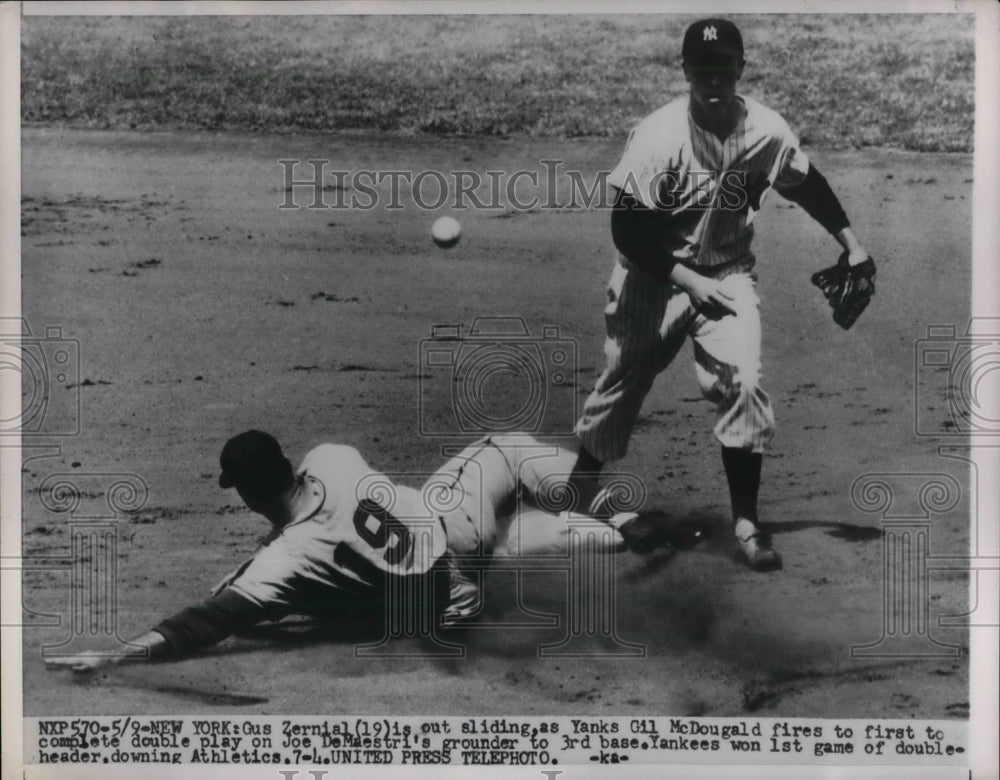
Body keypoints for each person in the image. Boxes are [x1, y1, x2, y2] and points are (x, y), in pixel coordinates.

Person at [570, 18, 873, 571]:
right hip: (651, 275)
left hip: (730, 272)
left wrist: (852, 245)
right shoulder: (658, 136)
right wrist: (686, 280)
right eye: (703, 68)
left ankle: (747, 524)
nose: (715, 78)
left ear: (741, 69)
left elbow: (803, 181)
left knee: (745, 380)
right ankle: (577, 493)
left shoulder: (767, 131)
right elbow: (627, 231)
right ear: (686, 71)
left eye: (724, 68)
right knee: (623, 382)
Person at [45, 430, 689, 672]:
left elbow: (212, 621)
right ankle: (618, 520)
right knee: (503, 455)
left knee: (294, 607)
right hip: (452, 532)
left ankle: (615, 533)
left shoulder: (284, 562)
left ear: (245, 495)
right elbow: (312, 531)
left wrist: (128, 651)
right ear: (289, 464)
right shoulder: (331, 456)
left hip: (441, 606)